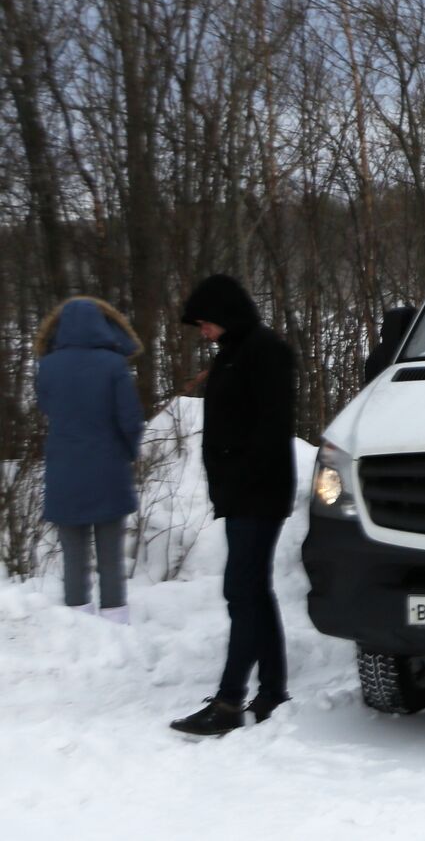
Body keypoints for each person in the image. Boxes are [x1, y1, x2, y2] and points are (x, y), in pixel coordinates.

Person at [170, 275, 296, 737]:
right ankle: (272, 692)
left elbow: (269, 428)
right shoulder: (233, 354)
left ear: (226, 316)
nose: (202, 332)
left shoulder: (265, 353)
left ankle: (229, 701)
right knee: (252, 592)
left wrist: (239, 478)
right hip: (240, 495)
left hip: (257, 494)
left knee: (241, 592)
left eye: (205, 323)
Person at [35, 298, 144, 624]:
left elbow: (46, 407)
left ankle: (78, 627)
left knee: (73, 557)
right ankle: (115, 622)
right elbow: (130, 419)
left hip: (63, 471)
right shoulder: (114, 365)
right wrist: (128, 452)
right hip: (108, 469)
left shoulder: (48, 366)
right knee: (110, 556)